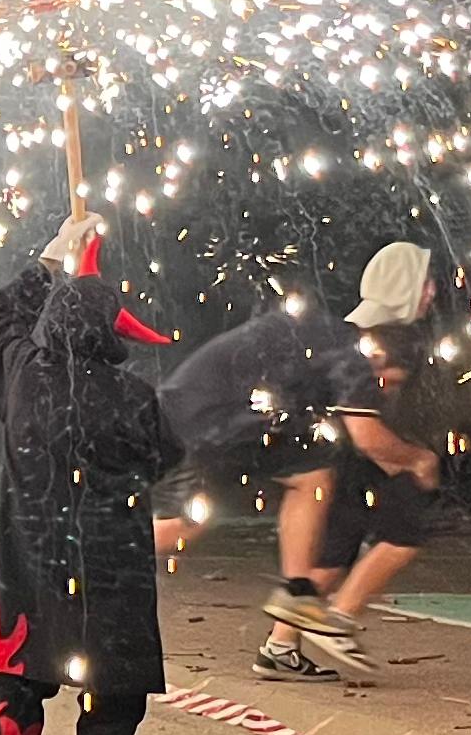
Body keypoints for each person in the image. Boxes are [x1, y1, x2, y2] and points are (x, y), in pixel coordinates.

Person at [0, 212, 181, 735]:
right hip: (113, 571)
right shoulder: (135, 396)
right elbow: (166, 455)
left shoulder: (24, 379)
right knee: (112, 695)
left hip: (31, 562)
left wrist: (49, 262)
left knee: (21, 673)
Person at [149, 239, 443, 682]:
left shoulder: (338, 338)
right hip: (207, 415)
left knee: (309, 472)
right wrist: (418, 461)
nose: (434, 294)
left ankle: (283, 640)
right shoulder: (352, 350)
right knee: (189, 524)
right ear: (403, 291)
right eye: (425, 285)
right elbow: (367, 438)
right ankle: (75, 553)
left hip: (207, 410)